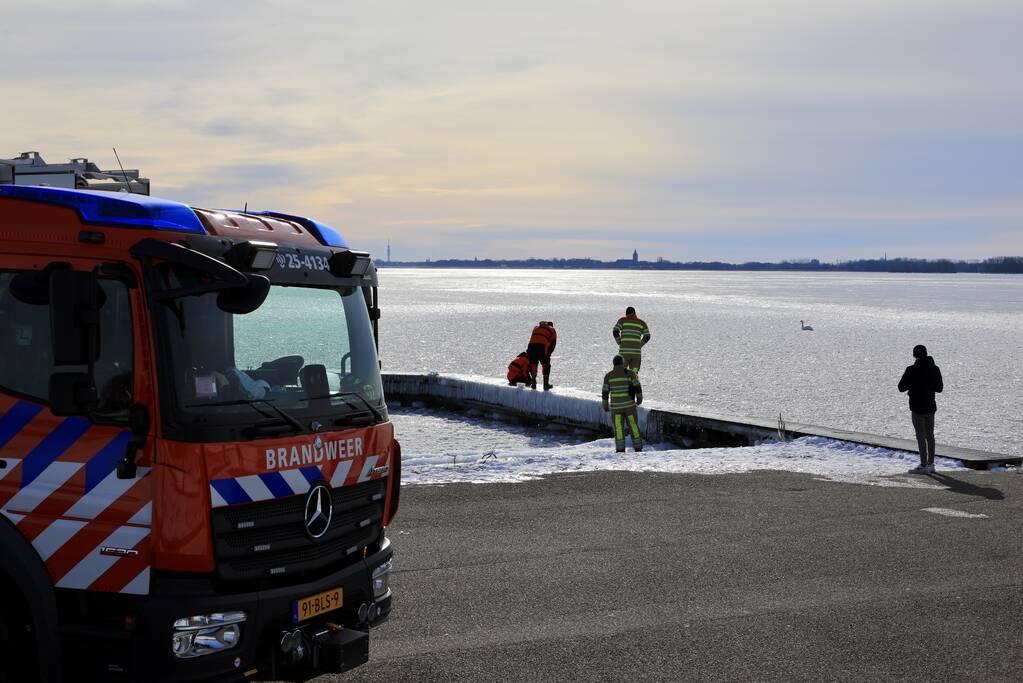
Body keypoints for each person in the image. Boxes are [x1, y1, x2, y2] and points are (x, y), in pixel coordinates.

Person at [898, 344, 943, 474]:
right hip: (930, 406)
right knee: (930, 436)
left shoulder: (911, 370)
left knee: (920, 436)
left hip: (917, 407)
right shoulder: (935, 369)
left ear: (914, 355)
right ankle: (931, 464)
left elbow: (901, 387)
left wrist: (914, 384)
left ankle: (923, 464)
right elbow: (939, 388)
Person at [602, 355, 643, 453]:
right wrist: (639, 400)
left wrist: (605, 405)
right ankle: (638, 447)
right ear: (622, 363)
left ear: (614, 364)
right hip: (629, 407)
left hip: (616, 409)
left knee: (618, 428)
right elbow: (637, 387)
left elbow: (605, 393)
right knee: (633, 426)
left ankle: (620, 449)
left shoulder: (608, 376)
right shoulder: (630, 373)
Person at [612, 306, 651, 373]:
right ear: (635, 313)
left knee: (620, 372)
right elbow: (647, 335)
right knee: (634, 372)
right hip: (636, 354)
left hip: (624, 353)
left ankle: (622, 382)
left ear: (626, 314)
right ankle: (633, 381)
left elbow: (615, 331)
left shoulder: (622, 320)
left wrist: (619, 342)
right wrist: (640, 345)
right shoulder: (641, 323)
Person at [526, 321, 557, 390]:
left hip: (531, 346)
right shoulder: (552, 330)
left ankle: (533, 383)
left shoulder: (536, 328)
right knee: (546, 364)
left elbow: (534, 338)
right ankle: (545, 385)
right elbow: (553, 344)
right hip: (542, 346)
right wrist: (548, 355)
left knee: (533, 364)